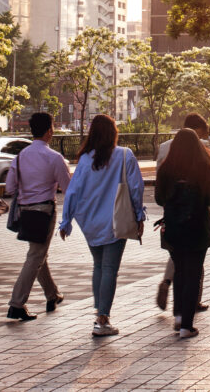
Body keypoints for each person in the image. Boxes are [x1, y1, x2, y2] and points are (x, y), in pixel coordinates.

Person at [59, 114, 146, 337]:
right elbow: (136, 189)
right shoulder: (125, 156)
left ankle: (100, 313)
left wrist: (66, 221)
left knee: (98, 266)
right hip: (117, 220)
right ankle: (102, 319)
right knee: (109, 269)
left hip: (90, 222)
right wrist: (139, 216)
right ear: (113, 132)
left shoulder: (86, 159)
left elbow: (73, 191)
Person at [5, 112, 72, 321]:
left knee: (38, 253)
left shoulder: (20, 157)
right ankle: (16, 303)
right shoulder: (54, 157)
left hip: (25, 211)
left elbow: (9, 188)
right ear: (49, 131)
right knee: (35, 256)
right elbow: (67, 188)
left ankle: (52, 294)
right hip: (44, 210)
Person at [156, 129, 210, 339]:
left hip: (173, 227)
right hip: (198, 227)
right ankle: (186, 325)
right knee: (193, 272)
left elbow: (159, 198)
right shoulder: (204, 166)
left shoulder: (167, 167)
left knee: (180, 271)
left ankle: (178, 315)